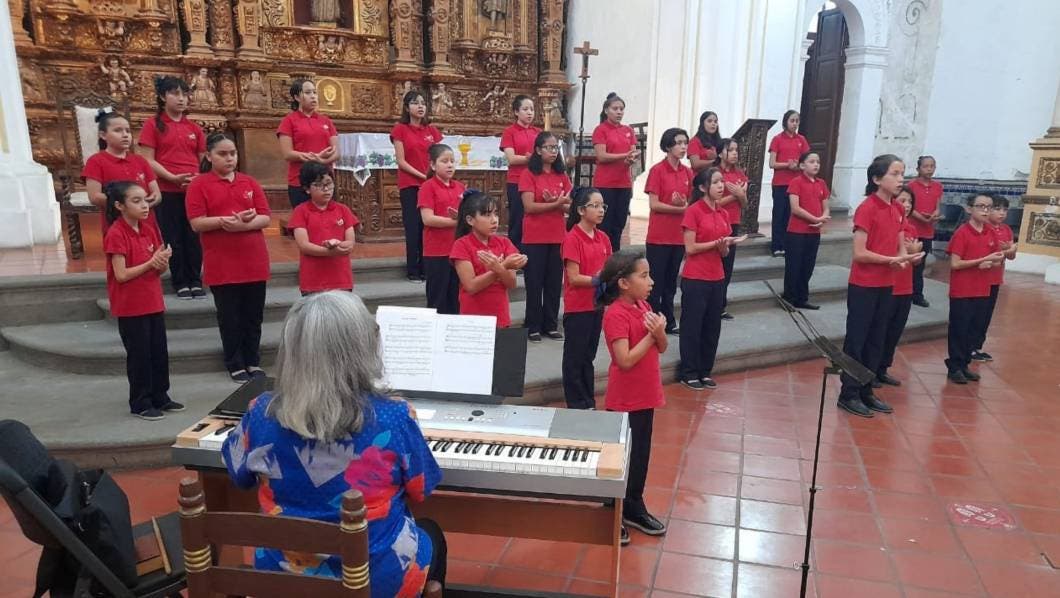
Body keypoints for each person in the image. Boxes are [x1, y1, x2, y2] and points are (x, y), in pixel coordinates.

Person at [222, 291, 446, 597]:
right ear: (363, 347)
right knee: (432, 533)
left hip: (282, 580)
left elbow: (238, 474)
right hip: (373, 580)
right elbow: (422, 488)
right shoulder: (394, 415)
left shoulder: (261, 411)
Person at [837, 155, 922, 417]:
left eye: (902, 174)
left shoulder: (897, 209)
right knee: (857, 339)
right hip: (864, 284)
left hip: (887, 283)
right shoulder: (867, 208)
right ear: (876, 179)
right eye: (894, 174)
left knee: (877, 339)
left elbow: (899, 245)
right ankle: (848, 393)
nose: (900, 179)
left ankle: (866, 390)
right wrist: (891, 260)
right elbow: (860, 253)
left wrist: (905, 258)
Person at [186, 133, 272, 383]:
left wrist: (243, 225)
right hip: (222, 262)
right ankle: (235, 362)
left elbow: (265, 216)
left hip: (253, 259)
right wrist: (225, 222)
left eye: (232, 153)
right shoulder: (199, 184)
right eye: (222, 154)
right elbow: (196, 222)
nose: (229, 158)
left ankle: (252, 360)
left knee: (253, 315)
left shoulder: (249, 182)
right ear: (209, 156)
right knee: (230, 316)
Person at [599, 250, 667, 545]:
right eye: (644, 276)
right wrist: (652, 335)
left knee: (640, 456)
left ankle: (634, 506)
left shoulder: (644, 306)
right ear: (624, 283)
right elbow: (624, 360)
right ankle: (612, 510)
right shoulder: (615, 314)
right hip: (624, 399)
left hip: (646, 394)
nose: (651, 282)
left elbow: (662, 347)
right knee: (620, 459)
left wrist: (659, 333)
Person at [102, 181, 182, 421]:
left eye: (146, 200)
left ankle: (160, 396)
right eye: (136, 201)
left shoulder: (149, 229)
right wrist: (150, 263)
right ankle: (140, 402)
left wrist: (162, 261)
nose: (145, 205)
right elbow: (121, 274)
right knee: (140, 356)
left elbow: (158, 270)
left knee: (158, 351)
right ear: (119, 206)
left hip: (152, 300)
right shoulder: (116, 233)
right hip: (130, 305)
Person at [678, 168, 747, 391]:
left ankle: (705, 370)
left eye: (721, 182)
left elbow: (723, 253)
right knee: (692, 326)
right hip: (696, 277)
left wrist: (726, 246)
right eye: (716, 182)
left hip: (717, 277)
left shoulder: (723, 213)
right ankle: (688, 372)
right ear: (702, 187)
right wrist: (717, 243)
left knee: (712, 327)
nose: (721, 186)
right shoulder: (693, 211)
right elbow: (690, 248)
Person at [139, 75, 206, 300]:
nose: (181, 99)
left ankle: (195, 279)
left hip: (193, 191)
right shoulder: (153, 125)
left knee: (193, 236)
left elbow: (203, 160)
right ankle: (180, 281)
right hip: (167, 190)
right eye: (175, 93)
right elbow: (147, 159)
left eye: (184, 94)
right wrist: (172, 177)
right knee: (172, 237)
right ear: (162, 96)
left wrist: (197, 179)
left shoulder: (194, 128)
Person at [945, 194, 1005, 384]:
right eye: (981, 206)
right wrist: (981, 262)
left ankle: (964, 364)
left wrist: (995, 260)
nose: (985, 211)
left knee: (974, 329)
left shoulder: (990, 232)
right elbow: (955, 263)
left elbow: (997, 258)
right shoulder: (962, 233)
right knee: (960, 329)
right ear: (970, 209)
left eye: (989, 207)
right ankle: (954, 366)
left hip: (983, 288)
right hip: (963, 290)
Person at [561, 188, 612, 410]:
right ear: (581, 210)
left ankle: (588, 400)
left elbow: (610, 268)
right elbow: (573, 278)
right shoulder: (572, 238)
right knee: (575, 358)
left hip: (596, 305)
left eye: (603, 206)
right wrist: (598, 279)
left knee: (588, 356)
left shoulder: (603, 238)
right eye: (595, 206)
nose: (601, 210)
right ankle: (575, 402)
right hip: (578, 307)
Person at [519, 131, 573, 341]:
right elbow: (529, 207)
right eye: (548, 147)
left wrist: (558, 203)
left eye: (555, 147)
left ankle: (550, 324)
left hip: (557, 236)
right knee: (534, 283)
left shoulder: (561, 175)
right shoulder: (529, 174)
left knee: (553, 283)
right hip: (535, 237)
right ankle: (532, 325)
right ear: (538, 150)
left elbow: (571, 205)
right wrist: (555, 204)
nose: (553, 151)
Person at [449, 191, 527, 328]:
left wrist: (499, 268)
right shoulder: (462, 245)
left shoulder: (504, 243)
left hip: (500, 315)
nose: (494, 220)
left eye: (495, 214)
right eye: (487, 215)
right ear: (470, 220)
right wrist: (501, 267)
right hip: (473, 317)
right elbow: (471, 286)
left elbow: (512, 284)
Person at [644, 127, 693, 334]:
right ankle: (652, 321)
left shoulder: (687, 172)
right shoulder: (657, 170)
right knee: (655, 283)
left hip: (678, 236)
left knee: (671, 283)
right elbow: (654, 204)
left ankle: (669, 319)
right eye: (679, 143)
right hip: (659, 236)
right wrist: (679, 208)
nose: (683, 147)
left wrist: (684, 205)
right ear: (668, 146)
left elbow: (691, 203)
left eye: (685, 143)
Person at [83, 109, 161, 237]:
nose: (125, 135)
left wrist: (145, 203)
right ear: (103, 135)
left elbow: (156, 194)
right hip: (117, 226)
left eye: (128, 131)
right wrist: (127, 205)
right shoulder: (96, 161)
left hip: (147, 224)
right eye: (118, 130)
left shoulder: (140, 161)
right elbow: (94, 196)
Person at [392, 90, 443, 282]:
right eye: (415, 103)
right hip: (411, 184)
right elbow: (401, 161)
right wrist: (423, 176)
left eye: (423, 103)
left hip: (431, 185)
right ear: (407, 108)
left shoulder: (432, 131)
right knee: (413, 227)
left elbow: (439, 156)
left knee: (428, 227)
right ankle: (413, 270)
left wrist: (433, 177)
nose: (420, 106)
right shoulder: (400, 129)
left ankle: (427, 268)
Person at [876, 185, 923, 387]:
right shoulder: (888, 224)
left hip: (906, 286)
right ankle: (871, 369)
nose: (907, 205)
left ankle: (883, 368)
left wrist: (915, 255)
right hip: (889, 285)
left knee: (895, 331)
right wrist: (907, 251)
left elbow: (915, 261)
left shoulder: (911, 228)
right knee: (880, 330)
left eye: (910, 202)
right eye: (902, 201)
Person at [288, 162, 358, 295]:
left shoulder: (343, 210)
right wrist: (330, 251)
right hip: (313, 280)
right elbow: (304, 245)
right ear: (307, 189)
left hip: (341, 278)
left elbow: (350, 243)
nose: (326, 189)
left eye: (329, 183)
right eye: (319, 185)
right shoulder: (301, 211)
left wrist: (337, 244)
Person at [277, 78, 340, 209]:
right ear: (297, 97)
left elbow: (336, 153)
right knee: (304, 217)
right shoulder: (289, 121)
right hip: (300, 181)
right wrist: (314, 158)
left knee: (327, 217)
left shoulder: (326, 121)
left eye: (314, 92)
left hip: (325, 180)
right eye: (308, 92)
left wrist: (321, 161)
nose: (313, 96)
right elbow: (287, 154)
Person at [418, 144, 465, 314]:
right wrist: (457, 222)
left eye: (452, 161)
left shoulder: (460, 187)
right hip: (436, 251)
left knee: (456, 297)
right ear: (433, 165)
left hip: (458, 249)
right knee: (437, 298)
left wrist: (463, 218)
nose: (450, 165)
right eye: (444, 161)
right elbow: (428, 219)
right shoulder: (428, 187)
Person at [782, 151, 830, 310]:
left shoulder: (821, 183)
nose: (816, 164)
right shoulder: (796, 182)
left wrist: (822, 218)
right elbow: (795, 208)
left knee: (808, 266)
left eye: (818, 162)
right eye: (811, 161)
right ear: (802, 165)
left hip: (814, 232)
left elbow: (826, 207)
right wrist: (815, 219)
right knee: (794, 266)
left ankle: (802, 298)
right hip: (797, 232)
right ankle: (789, 298)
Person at [972, 194, 1018, 361]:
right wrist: (1005, 251)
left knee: (986, 315)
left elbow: (1010, 256)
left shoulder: (1006, 230)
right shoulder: (984, 229)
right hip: (981, 278)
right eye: (997, 209)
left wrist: (1010, 251)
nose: (1002, 213)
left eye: (1005, 210)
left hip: (995, 279)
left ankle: (977, 346)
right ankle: (969, 347)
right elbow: (986, 254)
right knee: (977, 314)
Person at [592, 93, 639, 250]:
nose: (619, 112)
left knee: (619, 223)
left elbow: (632, 152)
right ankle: (602, 253)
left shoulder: (628, 130)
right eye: (615, 109)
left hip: (623, 182)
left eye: (621, 109)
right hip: (606, 183)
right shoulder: (601, 130)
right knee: (605, 223)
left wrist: (631, 159)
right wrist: (624, 155)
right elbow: (601, 156)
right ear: (606, 110)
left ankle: (616, 254)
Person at [767, 110, 810, 257]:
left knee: (791, 215)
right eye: (792, 120)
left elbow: (806, 161)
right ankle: (776, 245)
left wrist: (798, 166)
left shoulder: (802, 140)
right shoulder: (777, 139)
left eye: (797, 121)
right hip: (780, 183)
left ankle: (787, 245)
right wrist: (787, 165)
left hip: (796, 184)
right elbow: (772, 163)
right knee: (779, 214)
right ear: (785, 122)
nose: (795, 124)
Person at [499, 95, 540, 251]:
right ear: (516, 112)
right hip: (517, 181)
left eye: (532, 109)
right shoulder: (509, 132)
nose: (529, 113)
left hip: (536, 181)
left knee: (534, 220)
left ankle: (531, 252)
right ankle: (514, 253)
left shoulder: (538, 132)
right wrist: (531, 159)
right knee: (518, 220)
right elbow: (511, 158)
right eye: (525, 109)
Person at [716, 138, 748, 319]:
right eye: (731, 150)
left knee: (727, 266)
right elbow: (713, 202)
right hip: (715, 222)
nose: (735, 153)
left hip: (733, 223)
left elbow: (744, 204)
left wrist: (740, 195)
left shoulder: (740, 174)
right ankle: (713, 304)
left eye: (736, 149)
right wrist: (734, 195)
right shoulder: (714, 174)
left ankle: (721, 305)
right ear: (720, 153)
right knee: (716, 264)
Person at [908, 156, 943, 307]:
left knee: (920, 264)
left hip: (927, 231)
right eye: (925, 166)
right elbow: (909, 207)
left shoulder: (937, 186)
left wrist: (935, 214)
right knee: (910, 262)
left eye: (932, 166)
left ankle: (917, 294)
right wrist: (922, 218)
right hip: (913, 229)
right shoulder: (911, 186)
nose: (929, 169)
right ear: (918, 169)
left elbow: (937, 206)